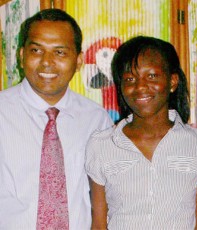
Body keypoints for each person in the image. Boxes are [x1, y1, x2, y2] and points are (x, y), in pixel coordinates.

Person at [0, 9, 113, 229]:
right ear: (21, 55)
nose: (47, 63)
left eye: (60, 52)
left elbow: (107, 197)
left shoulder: (96, 120)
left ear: (79, 60)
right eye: (36, 50)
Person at [85, 36, 197, 229]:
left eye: (152, 76)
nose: (140, 87)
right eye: (130, 79)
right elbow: (99, 224)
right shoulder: (101, 144)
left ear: (172, 81)